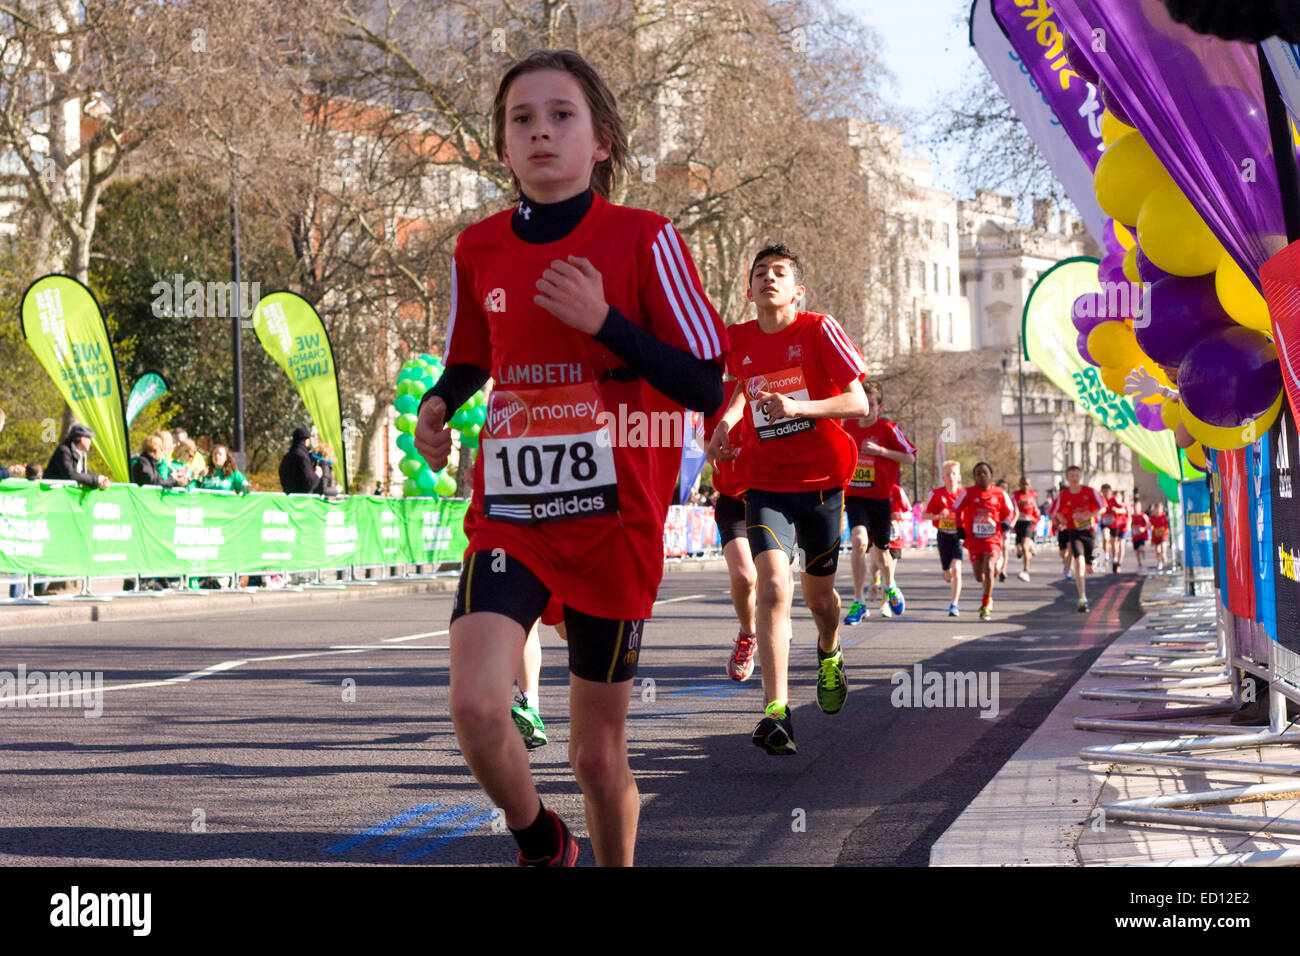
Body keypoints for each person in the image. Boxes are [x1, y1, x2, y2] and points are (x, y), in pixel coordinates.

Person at [413, 49, 726, 867]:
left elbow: (703, 383)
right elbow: (472, 358)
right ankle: (543, 841)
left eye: (562, 116)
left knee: (595, 758)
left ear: (601, 142)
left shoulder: (646, 239)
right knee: (478, 704)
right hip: (513, 514)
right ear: (501, 145)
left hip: (613, 520)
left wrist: (604, 323)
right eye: (522, 119)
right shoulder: (477, 249)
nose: (541, 132)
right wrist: (439, 405)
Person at [707, 243, 867, 756]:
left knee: (820, 600)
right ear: (748, 290)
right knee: (773, 584)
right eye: (759, 273)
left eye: (779, 273)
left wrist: (802, 406)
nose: (768, 279)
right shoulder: (738, 339)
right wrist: (725, 426)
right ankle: (777, 711)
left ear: (797, 290)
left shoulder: (818, 329)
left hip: (822, 483)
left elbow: (858, 402)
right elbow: (740, 389)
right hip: (766, 482)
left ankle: (829, 650)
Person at [840, 381, 915, 624]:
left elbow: (910, 458)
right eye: (864, 403)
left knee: (881, 555)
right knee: (860, 541)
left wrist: (880, 451)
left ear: (879, 406)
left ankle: (890, 585)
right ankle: (859, 601)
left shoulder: (889, 429)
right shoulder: (847, 425)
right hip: (855, 496)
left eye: (872, 405)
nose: (868, 409)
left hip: (881, 499)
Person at [705, 381, 759, 680]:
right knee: (744, 576)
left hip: (774, 495)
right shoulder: (713, 391)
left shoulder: (772, 378)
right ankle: (748, 635)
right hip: (732, 498)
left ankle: (776, 623)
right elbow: (705, 440)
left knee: (775, 582)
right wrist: (717, 449)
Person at [953, 462, 1016, 621]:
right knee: (979, 577)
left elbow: (1010, 511)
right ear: (974, 477)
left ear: (991, 475)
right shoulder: (968, 492)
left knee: (988, 568)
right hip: (974, 539)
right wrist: (960, 526)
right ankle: (989, 586)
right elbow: (956, 508)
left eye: (984, 473)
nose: (982, 476)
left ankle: (986, 604)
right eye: (978, 473)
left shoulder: (1000, 493)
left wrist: (1007, 522)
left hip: (992, 538)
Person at [1049, 465, 1106, 612]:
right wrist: (1063, 520)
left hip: (1089, 532)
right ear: (1067, 478)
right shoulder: (1064, 495)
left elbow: (1102, 508)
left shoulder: (1089, 492)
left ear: (1080, 476)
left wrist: (1088, 516)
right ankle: (1083, 598)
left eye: (1076, 475)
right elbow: (1056, 512)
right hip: (1074, 532)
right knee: (1078, 562)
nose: (1074, 479)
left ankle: (1090, 563)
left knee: (1090, 566)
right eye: (1071, 476)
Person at [922, 460, 965, 616]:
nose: (951, 477)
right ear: (943, 477)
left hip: (958, 536)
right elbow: (924, 514)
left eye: (954, 474)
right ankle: (946, 572)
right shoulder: (936, 494)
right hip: (943, 536)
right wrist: (939, 515)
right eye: (948, 474)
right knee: (948, 572)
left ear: (959, 477)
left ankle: (954, 604)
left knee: (957, 569)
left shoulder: (963, 494)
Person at [45, 424, 110, 489]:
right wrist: (96, 480)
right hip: (54, 494)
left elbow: (83, 472)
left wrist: (100, 480)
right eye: (89, 438)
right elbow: (71, 475)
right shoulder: (63, 451)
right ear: (82, 439)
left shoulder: (82, 453)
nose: (90, 441)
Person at [1012, 475, 1040, 582]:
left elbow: (1035, 507)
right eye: (1023, 484)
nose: (1025, 486)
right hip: (1018, 523)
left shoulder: (1032, 494)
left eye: (1027, 484)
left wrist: (1037, 512)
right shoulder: (1014, 495)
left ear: (1030, 485)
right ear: (1019, 484)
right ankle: (1026, 550)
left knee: (1024, 546)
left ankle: (1025, 570)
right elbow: (1008, 505)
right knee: (1019, 549)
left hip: (1029, 522)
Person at [279, 426, 323, 494]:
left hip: (289, 499)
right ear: (306, 441)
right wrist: (317, 475)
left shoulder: (287, 456)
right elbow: (309, 483)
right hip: (301, 501)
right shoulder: (303, 457)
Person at [1108, 489, 1131, 574]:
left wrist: (1128, 525)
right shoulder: (1112, 505)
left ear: (1121, 497)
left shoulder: (1124, 506)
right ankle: (1115, 560)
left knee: (1121, 544)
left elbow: (1127, 514)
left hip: (1123, 527)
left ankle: (1119, 564)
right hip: (1117, 526)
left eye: (1119, 496)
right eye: (1116, 497)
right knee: (1115, 545)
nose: (1117, 498)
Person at [1151, 501, 1172, 571]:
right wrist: (1149, 527)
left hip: (1163, 535)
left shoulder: (1164, 516)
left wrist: (1167, 530)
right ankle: (1159, 562)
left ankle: (1164, 554)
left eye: (1159, 510)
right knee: (1157, 550)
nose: (1158, 512)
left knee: (1163, 546)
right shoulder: (1153, 517)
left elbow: (1168, 525)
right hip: (1156, 536)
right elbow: (1149, 525)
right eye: (1156, 511)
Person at [1130, 505, 1151, 570]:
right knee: (1137, 551)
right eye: (1135, 508)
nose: (1136, 509)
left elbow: (1148, 525)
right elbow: (1129, 524)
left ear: (1140, 508)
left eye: (1137, 508)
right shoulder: (1132, 517)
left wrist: (1143, 529)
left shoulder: (1143, 516)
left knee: (1140, 548)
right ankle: (1139, 563)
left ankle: (1143, 551)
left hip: (1142, 536)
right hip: (1135, 536)